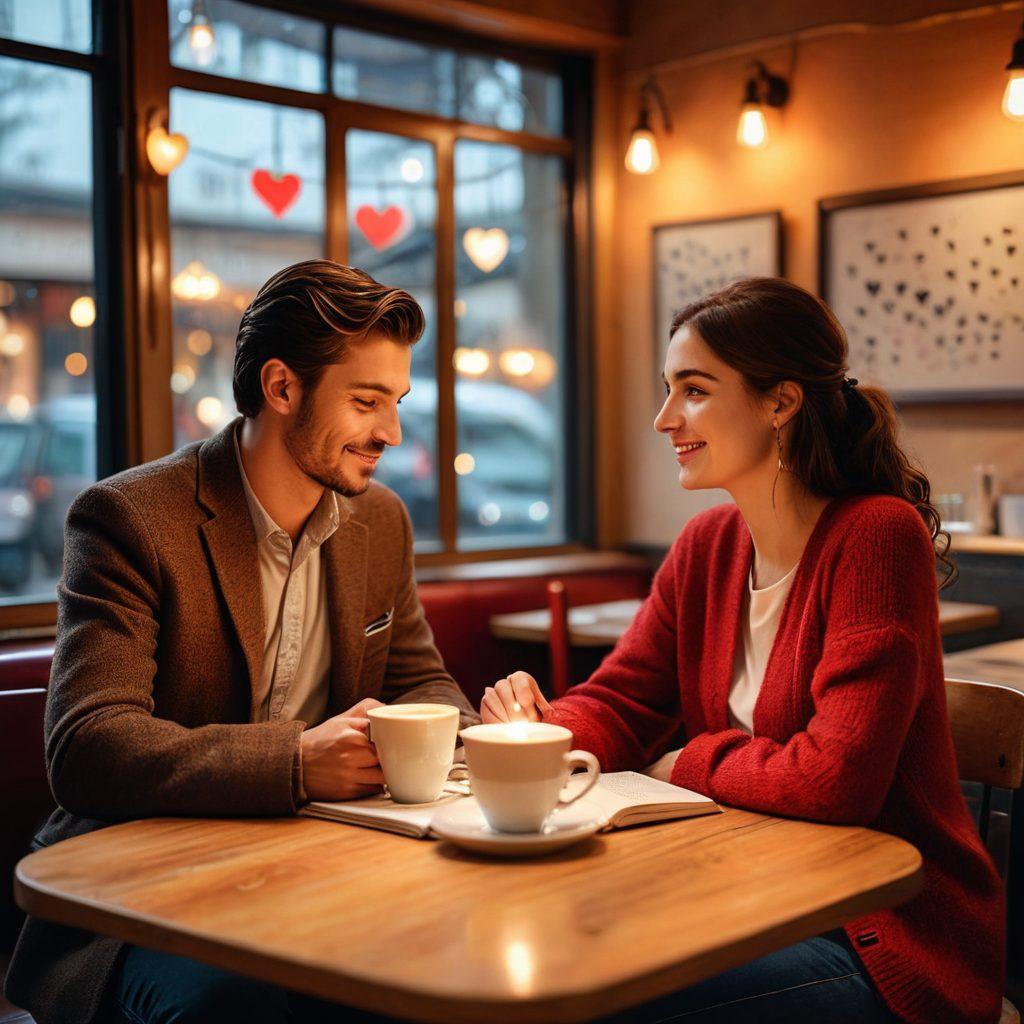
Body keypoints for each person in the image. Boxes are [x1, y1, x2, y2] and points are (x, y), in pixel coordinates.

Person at [482, 278, 1004, 1023]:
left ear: (780, 402)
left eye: (693, 391)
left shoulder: (877, 537)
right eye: (668, 390)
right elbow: (623, 698)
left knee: (594, 999)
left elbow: (836, 781)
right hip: (741, 889)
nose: (665, 419)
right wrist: (541, 733)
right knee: (539, 954)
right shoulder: (707, 544)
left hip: (879, 934)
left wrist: (684, 761)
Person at [5, 259, 477, 1024]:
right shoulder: (130, 518)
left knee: (450, 968)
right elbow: (88, 747)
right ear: (283, 388)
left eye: (395, 403)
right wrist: (297, 761)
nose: (390, 432)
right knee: (237, 1006)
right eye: (366, 402)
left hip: (321, 875)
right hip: (142, 896)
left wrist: (472, 734)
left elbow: (422, 684)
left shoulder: (379, 521)